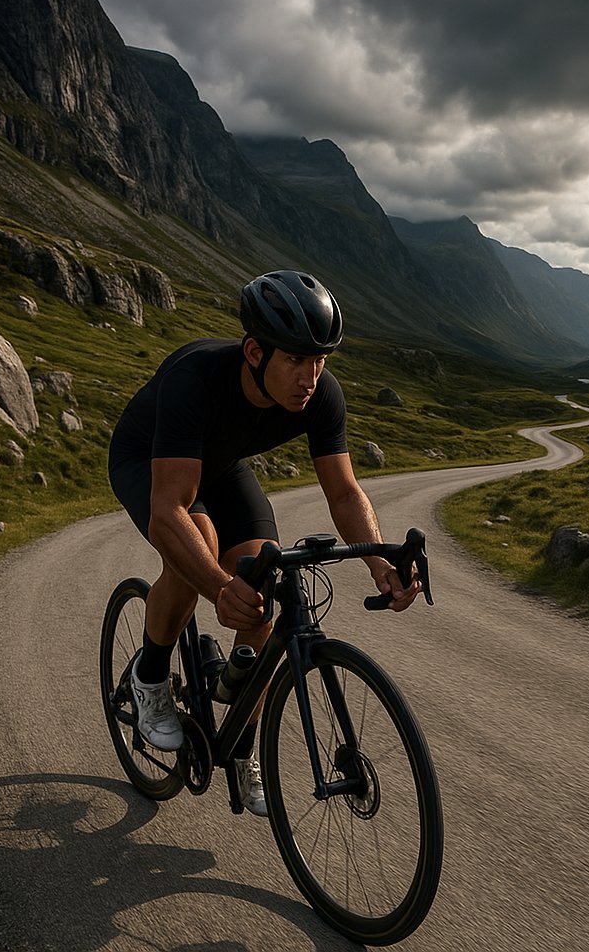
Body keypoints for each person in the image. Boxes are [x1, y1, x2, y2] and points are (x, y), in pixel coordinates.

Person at [107, 269, 421, 815]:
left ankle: (244, 744)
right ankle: (150, 676)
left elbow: (345, 494)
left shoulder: (320, 395)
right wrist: (217, 586)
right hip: (148, 459)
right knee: (197, 541)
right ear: (255, 350)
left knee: (260, 576)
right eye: (297, 359)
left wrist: (379, 562)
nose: (310, 376)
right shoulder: (196, 377)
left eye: (320, 360)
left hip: (222, 465)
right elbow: (167, 514)